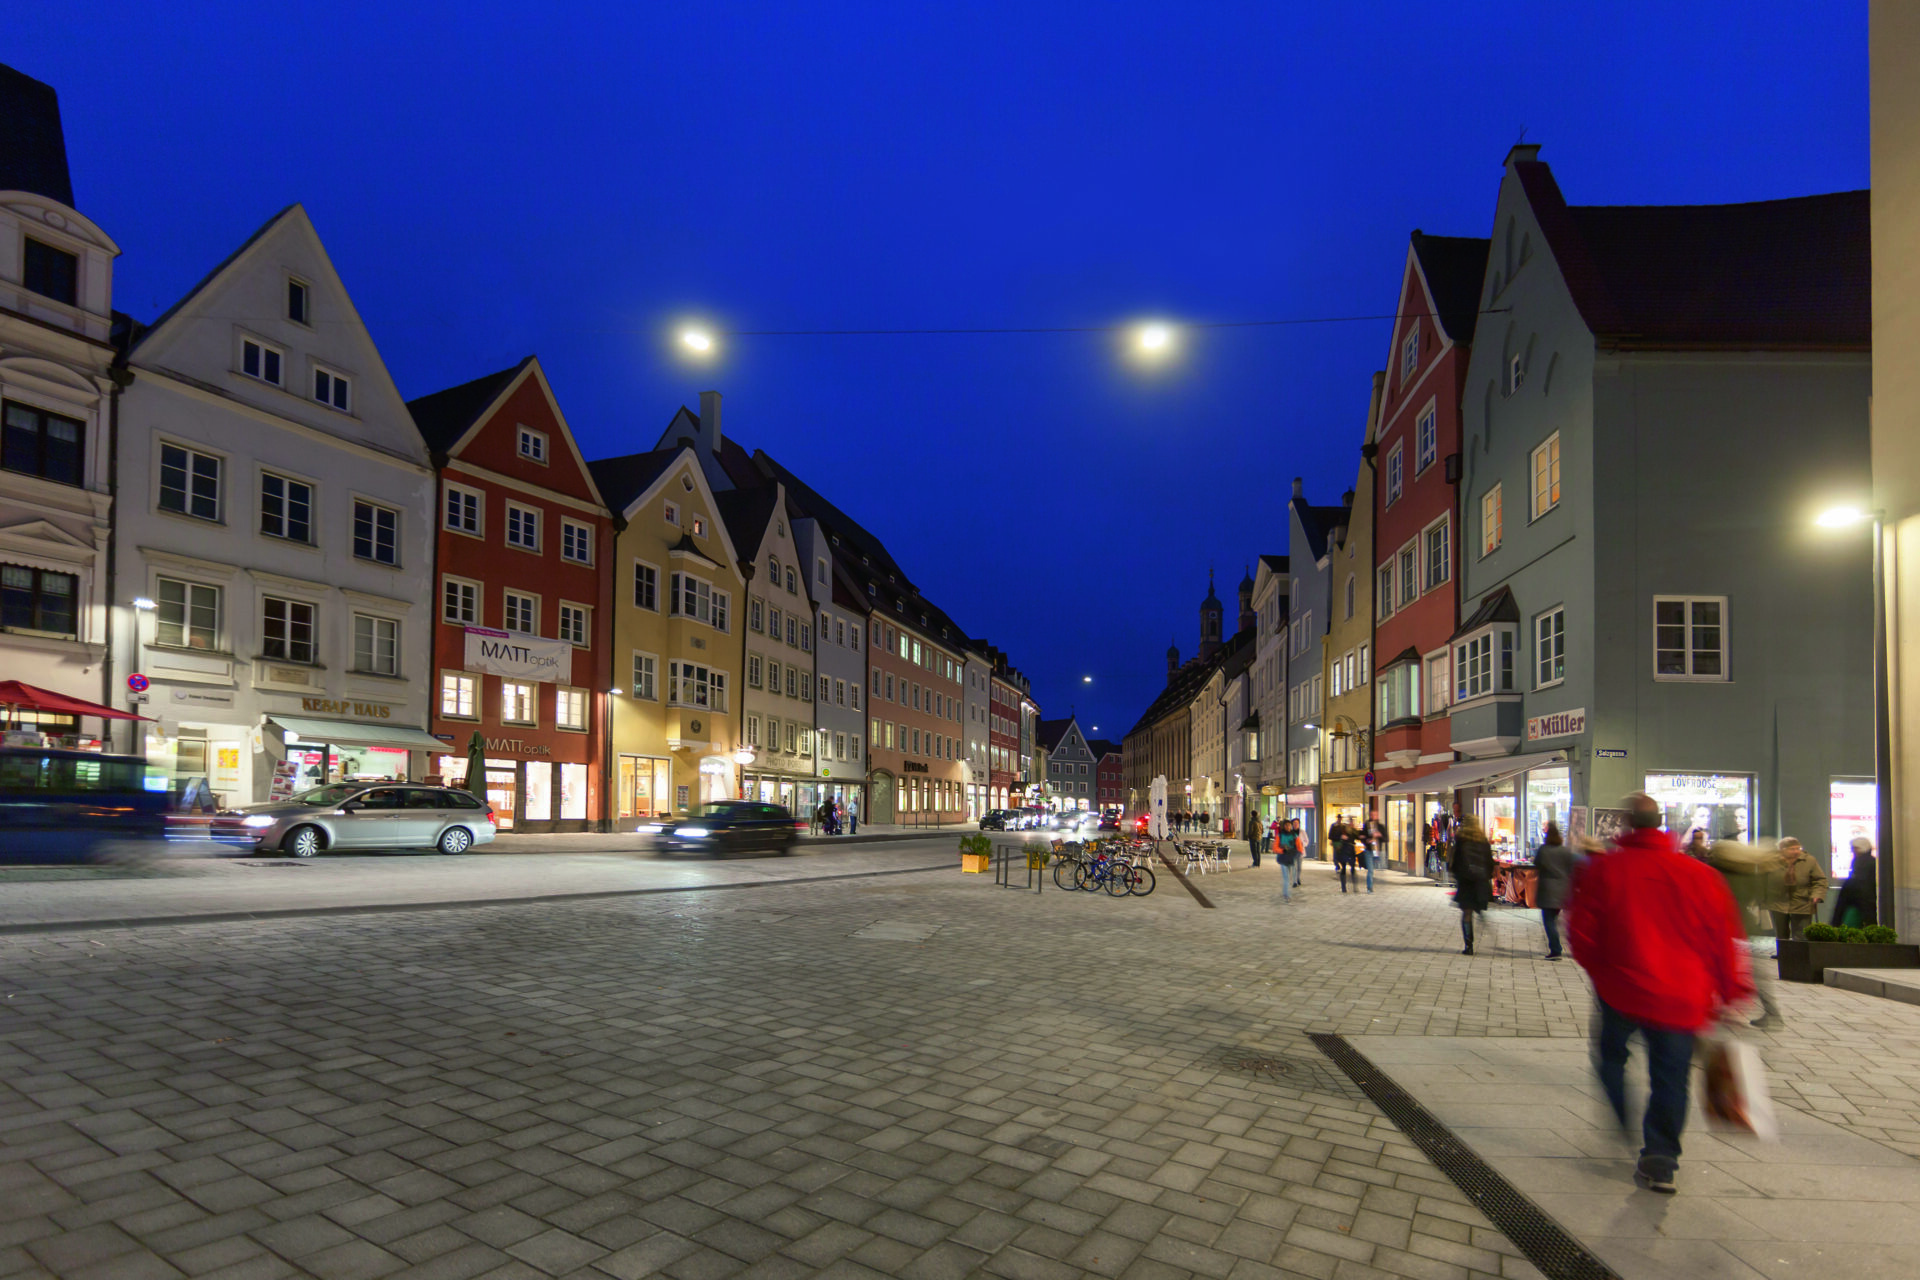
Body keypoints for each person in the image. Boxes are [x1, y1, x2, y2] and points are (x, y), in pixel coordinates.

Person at [1567, 792, 1753, 1194]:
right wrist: (1732, 992)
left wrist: (1602, 973)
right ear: (1662, 825)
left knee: (1611, 1058)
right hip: (1682, 997)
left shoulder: (1606, 870)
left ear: (1627, 827)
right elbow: (1724, 939)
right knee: (1671, 1078)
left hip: (1621, 991)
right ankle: (1661, 1158)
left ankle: (1622, 1118)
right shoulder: (1700, 876)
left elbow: (1579, 931)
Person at [1765, 837, 1828, 943]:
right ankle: (1783, 954)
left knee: (1801, 935)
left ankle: (1800, 956)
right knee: (1781, 934)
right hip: (1778, 902)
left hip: (1803, 902)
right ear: (1782, 850)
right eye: (1792, 849)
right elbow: (1763, 880)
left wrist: (1817, 894)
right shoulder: (1772, 861)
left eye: (1798, 848)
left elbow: (1820, 880)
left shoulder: (1809, 860)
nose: (1796, 851)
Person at [1534, 821, 1577, 960]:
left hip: (1547, 889)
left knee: (1549, 921)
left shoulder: (1543, 850)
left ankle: (1556, 949)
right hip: (1562, 890)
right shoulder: (1565, 851)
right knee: (1557, 919)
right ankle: (1568, 948)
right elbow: (1572, 868)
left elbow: (1537, 864)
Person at [1451, 817, 1494, 953]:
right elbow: (1489, 863)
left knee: (1467, 913)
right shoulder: (1484, 842)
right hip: (1480, 882)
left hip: (1466, 882)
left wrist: (1457, 877)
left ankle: (1469, 944)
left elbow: (1455, 863)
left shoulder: (1461, 841)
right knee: (1476, 906)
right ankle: (1480, 912)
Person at [1830, 836, 1878, 928]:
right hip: (1862, 902)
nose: (1853, 851)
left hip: (1859, 901)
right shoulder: (1864, 861)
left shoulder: (1863, 863)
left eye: (1855, 848)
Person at [1332, 819, 1358, 893]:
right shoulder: (1342, 830)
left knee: (1353, 868)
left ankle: (1355, 886)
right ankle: (1343, 887)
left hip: (1351, 851)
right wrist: (1341, 837)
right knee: (1344, 867)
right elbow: (1334, 836)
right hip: (1343, 850)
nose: (1351, 824)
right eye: (1350, 823)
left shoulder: (1353, 831)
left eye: (1352, 823)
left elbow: (1358, 837)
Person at [1276, 819, 1299, 901]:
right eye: (1286, 825)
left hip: (1291, 858)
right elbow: (1275, 848)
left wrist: (1296, 853)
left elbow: (1298, 846)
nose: (1288, 827)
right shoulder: (1280, 835)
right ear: (1284, 826)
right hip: (1283, 858)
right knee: (1286, 877)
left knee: (1289, 877)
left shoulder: (1294, 835)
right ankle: (1287, 895)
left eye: (1289, 825)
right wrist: (1282, 850)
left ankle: (1285, 893)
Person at [1363, 814, 1385, 892]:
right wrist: (1367, 840)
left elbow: (1386, 838)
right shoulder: (1367, 826)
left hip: (1376, 851)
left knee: (1376, 867)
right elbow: (1362, 836)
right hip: (1369, 850)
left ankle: (1370, 885)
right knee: (1371, 869)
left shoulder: (1381, 827)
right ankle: (1369, 887)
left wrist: (1380, 835)